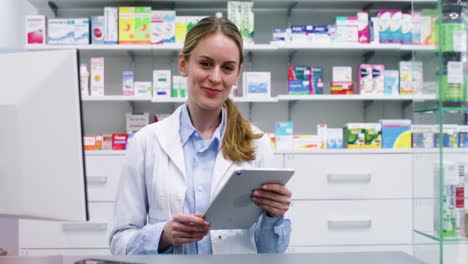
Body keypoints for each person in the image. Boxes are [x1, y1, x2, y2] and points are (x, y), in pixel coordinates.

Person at [109, 16, 292, 255]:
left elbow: (270, 252)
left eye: (227, 67)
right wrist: (163, 235)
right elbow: (119, 241)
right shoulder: (146, 142)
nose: (216, 78)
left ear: (237, 74)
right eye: (205, 64)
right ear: (183, 64)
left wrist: (273, 216)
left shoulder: (256, 144)